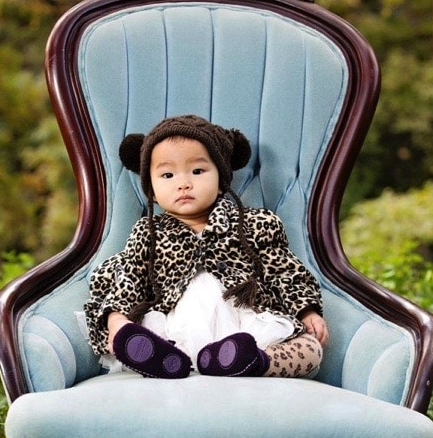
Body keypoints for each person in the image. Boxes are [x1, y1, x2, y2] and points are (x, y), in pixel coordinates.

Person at [84, 115, 328, 380]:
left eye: (198, 171)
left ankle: (251, 360)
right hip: (175, 326)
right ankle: (165, 360)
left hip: (245, 323)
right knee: (137, 338)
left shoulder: (255, 224)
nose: (184, 183)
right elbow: (129, 278)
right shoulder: (148, 233)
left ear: (222, 178)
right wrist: (117, 320)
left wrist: (307, 310)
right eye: (167, 174)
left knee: (311, 349)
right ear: (151, 191)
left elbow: (285, 271)